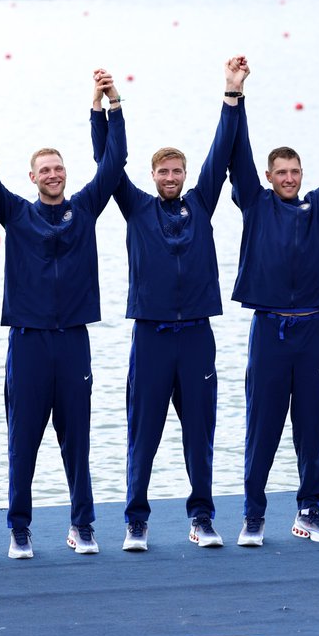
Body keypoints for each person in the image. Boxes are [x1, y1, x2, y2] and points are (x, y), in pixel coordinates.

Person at [0, 74, 127, 559]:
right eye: (44, 169)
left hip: (73, 341)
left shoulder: (85, 209)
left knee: (78, 442)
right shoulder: (14, 213)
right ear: (32, 178)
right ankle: (19, 529)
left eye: (58, 168)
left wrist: (109, 107)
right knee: (22, 442)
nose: (52, 174)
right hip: (28, 344)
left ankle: (82, 525)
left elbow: (115, 164)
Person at [91, 58, 244, 552]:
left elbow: (221, 155)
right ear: (153, 175)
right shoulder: (136, 206)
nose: (173, 176)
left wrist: (231, 93)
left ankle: (201, 518)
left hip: (197, 337)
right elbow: (108, 165)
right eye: (165, 171)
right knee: (143, 435)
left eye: (178, 170)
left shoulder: (202, 203)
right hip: (151, 339)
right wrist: (110, 108)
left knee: (199, 436)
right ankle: (136, 520)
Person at [228, 66, 319, 547]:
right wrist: (235, 94)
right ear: (268, 177)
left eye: (294, 172)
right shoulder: (254, 202)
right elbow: (236, 153)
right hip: (269, 333)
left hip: (313, 333)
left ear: (302, 175)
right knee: (262, 429)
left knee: (311, 428)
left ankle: (309, 511)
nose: (288, 178)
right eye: (280, 173)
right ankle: (253, 515)